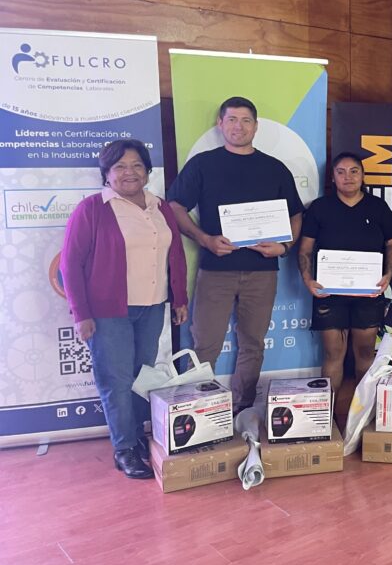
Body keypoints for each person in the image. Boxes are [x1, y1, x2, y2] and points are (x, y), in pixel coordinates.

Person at [61, 139, 188, 479]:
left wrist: (180, 298)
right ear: (106, 173)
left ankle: (135, 437)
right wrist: (81, 313)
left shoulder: (160, 207)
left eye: (137, 165)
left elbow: (175, 255)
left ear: (147, 170)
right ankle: (124, 449)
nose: (129, 173)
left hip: (152, 306)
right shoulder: (92, 209)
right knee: (116, 380)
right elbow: (71, 265)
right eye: (120, 166)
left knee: (140, 377)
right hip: (108, 312)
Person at [168, 96, 303, 412]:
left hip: (262, 272)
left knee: (253, 345)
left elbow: (296, 214)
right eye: (231, 119)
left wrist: (284, 246)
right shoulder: (203, 165)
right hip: (216, 270)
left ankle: (242, 408)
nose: (238, 126)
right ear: (220, 124)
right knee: (205, 345)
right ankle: (199, 412)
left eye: (245, 120)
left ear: (256, 126)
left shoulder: (274, 168)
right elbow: (174, 207)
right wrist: (204, 239)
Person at [298, 152, 392, 415]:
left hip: (369, 293)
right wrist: (308, 279)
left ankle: (363, 415)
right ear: (333, 177)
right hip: (329, 294)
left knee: (365, 353)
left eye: (354, 171)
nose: (348, 177)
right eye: (341, 172)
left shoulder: (378, 207)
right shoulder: (320, 208)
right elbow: (305, 248)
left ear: (363, 175)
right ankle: (325, 416)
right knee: (333, 354)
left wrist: (388, 275)